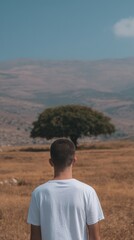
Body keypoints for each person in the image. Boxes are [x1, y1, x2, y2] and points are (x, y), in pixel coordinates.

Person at [27, 138, 104, 240]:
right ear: (74, 160)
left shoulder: (38, 193)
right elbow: (95, 237)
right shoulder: (88, 192)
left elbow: (35, 237)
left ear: (51, 162)